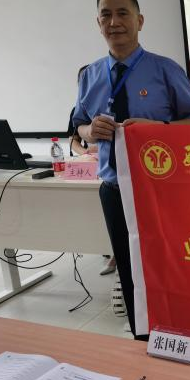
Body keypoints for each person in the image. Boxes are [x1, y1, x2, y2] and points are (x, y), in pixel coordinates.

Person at [72, 0, 190, 340]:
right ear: (98, 23)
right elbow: (77, 127)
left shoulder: (165, 70)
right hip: (114, 190)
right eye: (106, 15)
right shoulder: (90, 75)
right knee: (129, 267)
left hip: (161, 190)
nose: (114, 22)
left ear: (140, 20)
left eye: (123, 13)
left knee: (171, 266)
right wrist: (89, 130)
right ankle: (141, 339)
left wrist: (157, 129)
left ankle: (180, 337)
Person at [69, 65, 117, 275]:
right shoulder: (78, 109)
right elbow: (73, 139)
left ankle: (116, 253)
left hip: (111, 166)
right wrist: (85, 152)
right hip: (90, 163)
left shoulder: (110, 104)